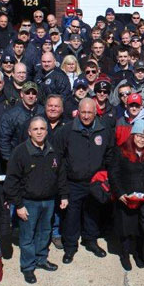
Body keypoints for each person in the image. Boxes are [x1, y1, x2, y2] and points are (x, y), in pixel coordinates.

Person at [5, 116, 69, 284]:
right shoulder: (20, 152)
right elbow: (12, 181)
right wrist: (18, 205)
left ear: (47, 131)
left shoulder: (53, 150)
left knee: (45, 233)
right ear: (29, 132)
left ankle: (41, 259)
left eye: (42, 129)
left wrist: (63, 195)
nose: (39, 132)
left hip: (49, 201)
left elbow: (61, 174)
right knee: (27, 237)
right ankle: (28, 266)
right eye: (35, 129)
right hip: (28, 202)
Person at [57, 98, 116, 263]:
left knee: (93, 214)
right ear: (78, 111)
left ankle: (90, 241)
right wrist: (62, 184)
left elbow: (110, 154)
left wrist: (106, 177)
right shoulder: (67, 131)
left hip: (95, 182)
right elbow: (58, 158)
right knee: (71, 216)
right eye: (83, 112)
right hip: (73, 182)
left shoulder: (104, 130)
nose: (86, 116)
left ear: (96, 112)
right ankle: (70, 247)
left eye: (90, 112)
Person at [108, 120, 144, 271]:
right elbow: (113, 173)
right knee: (125, 229)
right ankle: (124, 254)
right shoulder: (121, 150)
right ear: (133, 135)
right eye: (138, 136)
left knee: (141, 228)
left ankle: (138, 254)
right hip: (126, 197)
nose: (142, 139)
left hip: (143, 198)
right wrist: (120, 193)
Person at [0, 81, 45, 167]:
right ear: (21, 94)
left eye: (33, 93)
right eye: (27, 93)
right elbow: (4, 140)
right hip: (19, 160)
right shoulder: (11, 115)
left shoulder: (43, 112)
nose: (30, 96)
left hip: (40, 159)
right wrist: (10, 160)